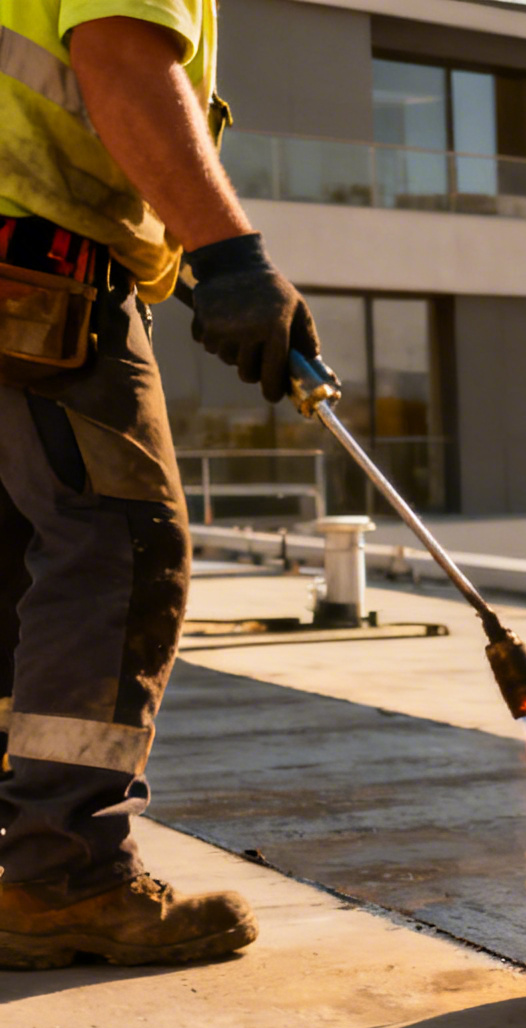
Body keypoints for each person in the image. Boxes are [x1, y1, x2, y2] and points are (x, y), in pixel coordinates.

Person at [0, 0, 321, 966]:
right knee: (118, 550)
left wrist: (167, 252)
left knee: (16, 560)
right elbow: (119, 56)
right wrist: (231, 258)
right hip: (36, 279)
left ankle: (24, 858)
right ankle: (63, 873)